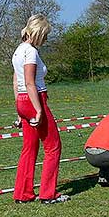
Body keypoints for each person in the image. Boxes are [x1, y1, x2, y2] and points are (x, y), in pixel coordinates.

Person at [12, 14, 69, 204]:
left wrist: (19, 111)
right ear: (38, 32)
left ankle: (23, 193)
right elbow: (29, 83)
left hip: (22, 102)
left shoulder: (18, 51)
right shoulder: (30, 52)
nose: (46, 39)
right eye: (45, 35)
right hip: (34, 100)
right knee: (53, 146)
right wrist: (38, 110)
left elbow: (16, 81)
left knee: (29, 148)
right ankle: (48, 194)